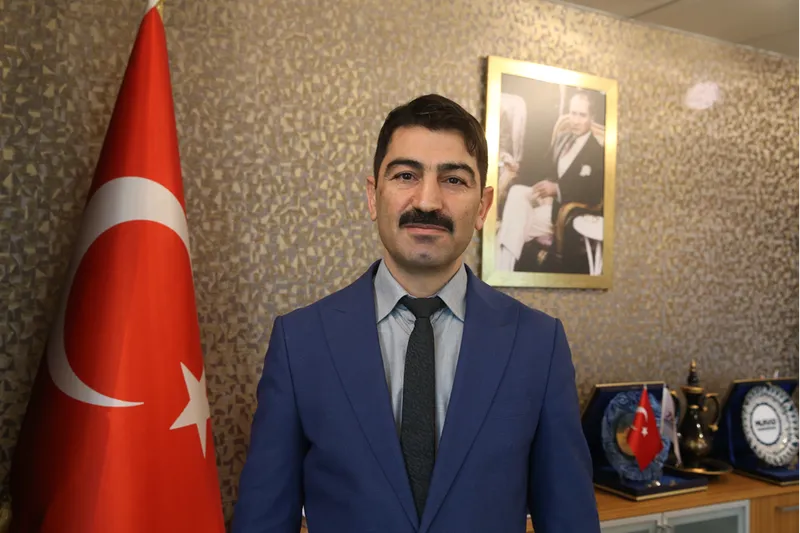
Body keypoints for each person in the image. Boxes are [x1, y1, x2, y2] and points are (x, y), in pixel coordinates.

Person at [232, 94, 600, 533]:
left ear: (483, 207)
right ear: (373, 197)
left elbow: (570, 519)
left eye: (454, 180)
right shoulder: (300, 342)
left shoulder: (539, 344)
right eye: (406, 175)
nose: (427, 201)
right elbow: (264, 520)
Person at [496, 91, 605, 273]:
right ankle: (503, 272)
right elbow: (545, 168)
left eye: (582, 115)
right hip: (545, 202)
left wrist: (557, 189)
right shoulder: (563, 139)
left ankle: (502, 272)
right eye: (573, 113)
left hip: (563, 212)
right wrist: (517, 166)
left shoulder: (597, 152)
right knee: (516, 192)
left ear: (591, 117)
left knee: (511, 225)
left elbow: (593, 193)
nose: (575, 120)